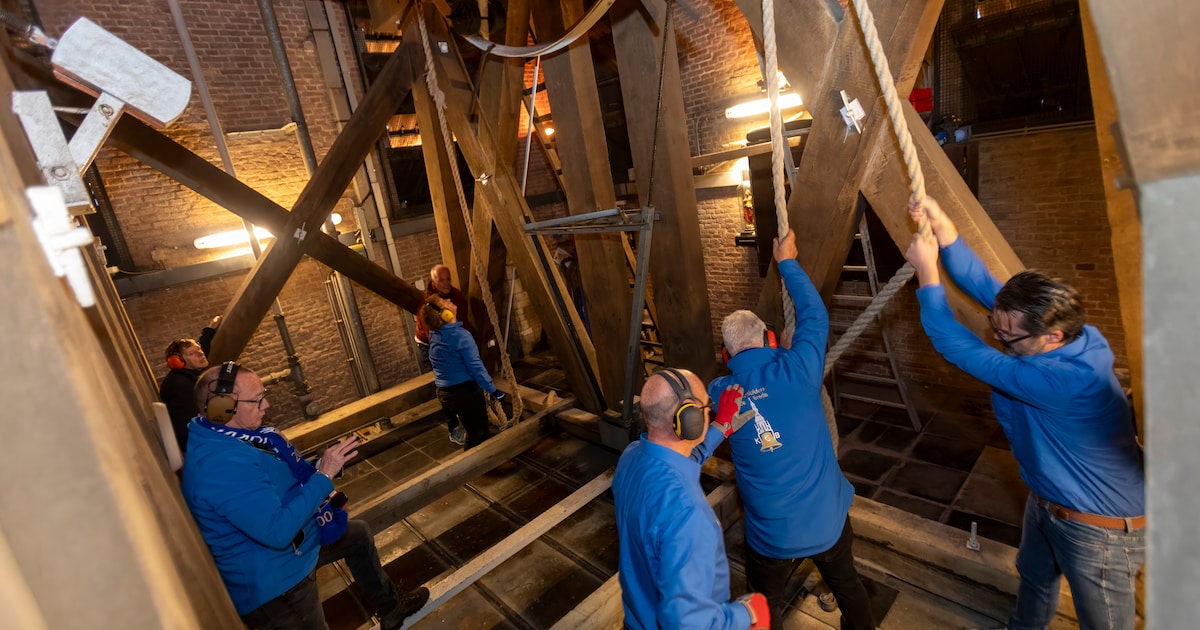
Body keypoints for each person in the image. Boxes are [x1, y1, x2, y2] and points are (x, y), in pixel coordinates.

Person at [904, 196, 1145, 629]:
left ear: (1050, 337)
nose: (998, 338)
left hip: (1100, 531)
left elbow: (952, 342)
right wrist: (943, 226)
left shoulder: (1061, 381)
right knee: (1034, 582)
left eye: (1007, 338)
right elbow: (984, 284)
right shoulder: (1075, 333)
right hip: (1048, 503)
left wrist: (927, 273)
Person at [702, 229, 874, 630]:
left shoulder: (721, 393)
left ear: (726, 356)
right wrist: (788, 261)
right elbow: (815, 314)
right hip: (827, 525)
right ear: (772, 338)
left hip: (772, 539)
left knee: (764, 606)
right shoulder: (799, 367)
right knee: (848, 585)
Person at [182, 362, 428, 629]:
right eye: (258, 400)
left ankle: (391, 608)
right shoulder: (222, 464)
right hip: (276, 581)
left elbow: (274, 478)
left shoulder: (236, 437)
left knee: (357, 535)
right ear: (222, 407)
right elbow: (277, 532)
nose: (266, 406)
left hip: (292, 548)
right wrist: (322, 477)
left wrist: (316, 466)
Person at [613, 366, 769, 630]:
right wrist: (746, 614)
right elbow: (689, 624)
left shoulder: (632, 456)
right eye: (707, 408)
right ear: (688, 419)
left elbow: (682, 459)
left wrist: (720, 427)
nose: (710, 413)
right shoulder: (688, 514)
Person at [420, 295, 503, 449]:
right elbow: (476, 367)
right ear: (445, 314)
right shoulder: (460, 337)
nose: (450, 301)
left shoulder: (435, 334)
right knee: (478, 434)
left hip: (447, 393)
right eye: (445, 302)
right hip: (464, 393)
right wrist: (493, 390)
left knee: (476, 432)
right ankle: (474, 468)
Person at [159, 314, 221, 454]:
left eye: (199, 350)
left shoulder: (190, 371)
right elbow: (191, 426)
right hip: (200, 445)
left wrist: (210, 328)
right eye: (193, 353)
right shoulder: (179, 386)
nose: (200, 354)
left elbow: (202, 345)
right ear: (177, 362)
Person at [414, 264, 469, 370]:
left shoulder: (457, 297)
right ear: (434, 282)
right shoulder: (428, 304)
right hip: (429, 342)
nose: (446, 284)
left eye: (448, 279)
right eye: (441, 280)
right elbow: (431, 334)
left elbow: (464, 323)